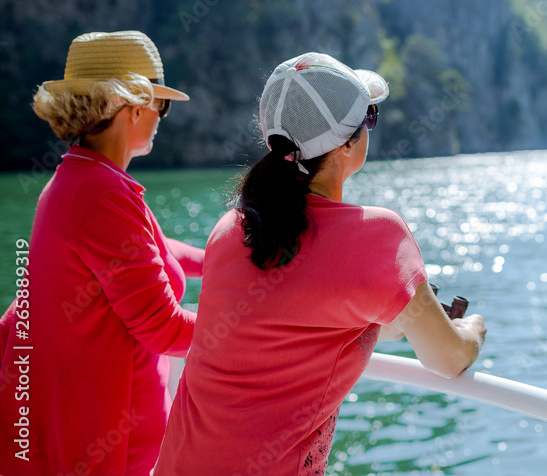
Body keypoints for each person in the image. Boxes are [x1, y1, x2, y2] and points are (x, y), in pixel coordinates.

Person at [154, 52, 487, 475]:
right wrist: (468, 331)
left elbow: (294, 327)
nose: (370, 128)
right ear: (348, 142)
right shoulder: (379, 237)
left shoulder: (231, 229)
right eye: (369, 118)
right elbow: (449, 359)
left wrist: (400, 324)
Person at [0, 30, 204, 476]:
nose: (161, 117)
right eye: (161, 105)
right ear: (134, 109)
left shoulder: (78, 178)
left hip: (94, 432)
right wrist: (248, 327)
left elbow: (151, 249)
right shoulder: (104, 195)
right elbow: (163, 329)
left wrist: (223, 260)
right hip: (115, 447)